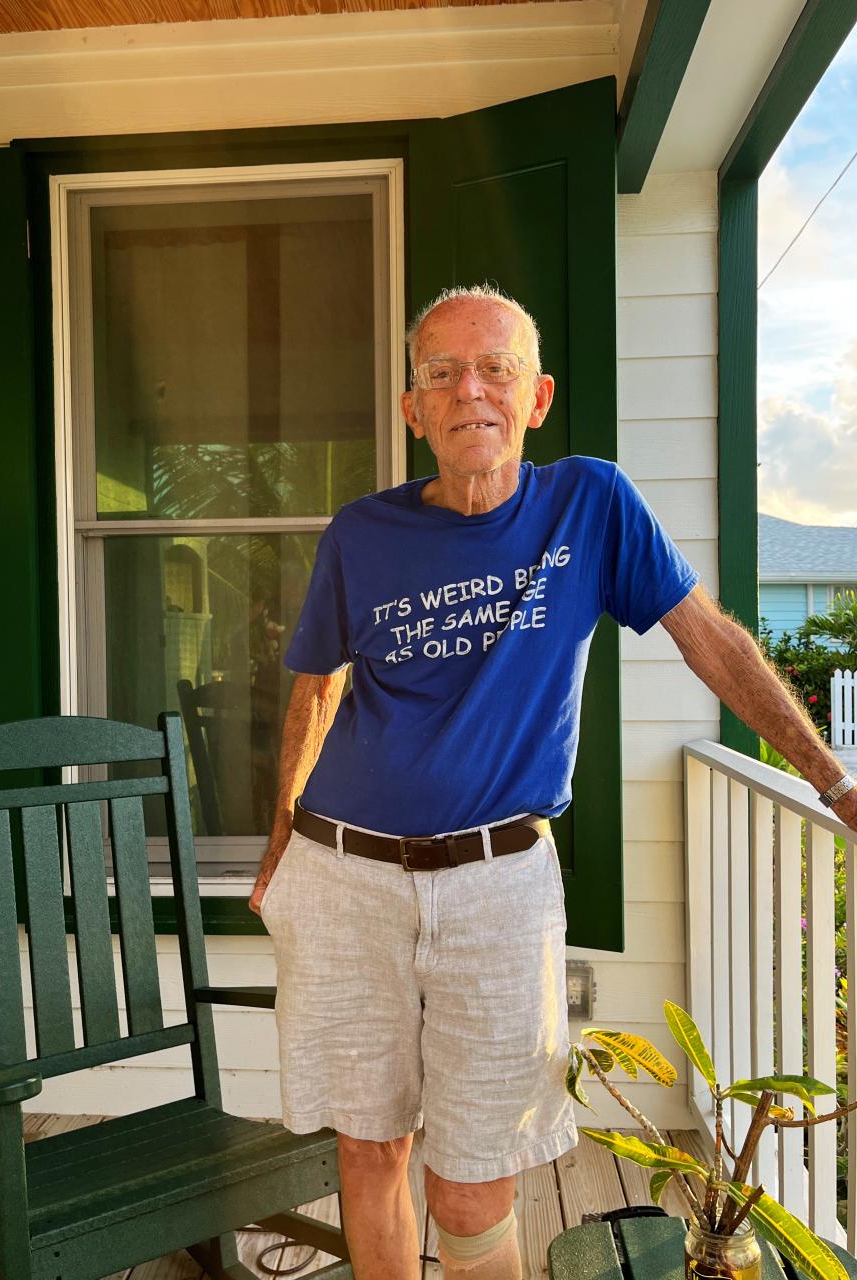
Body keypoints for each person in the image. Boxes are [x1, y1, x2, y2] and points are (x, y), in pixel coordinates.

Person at [248, 284, 857, 1280]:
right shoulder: (361, 533)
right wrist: (280, 846)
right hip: (343, 869)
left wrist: (833, 780)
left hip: (499, 882)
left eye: (497, 368)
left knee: (478, 1174)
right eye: (440, 371)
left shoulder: (591, 501)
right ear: (414, 410)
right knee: (368, 1145)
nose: (468, 389)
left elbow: (707, 639)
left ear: (537, 397)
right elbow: (315, 693)